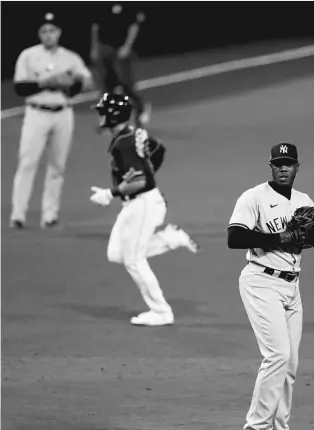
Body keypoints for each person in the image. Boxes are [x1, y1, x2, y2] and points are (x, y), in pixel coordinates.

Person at [227, 142, 314, 430]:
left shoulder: (304, 201)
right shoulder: (253, 197)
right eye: (278, 164)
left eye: (289, 163)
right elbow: (235, 237)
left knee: (289, 366)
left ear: (297, 166)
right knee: (277, 356)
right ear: (271, 166)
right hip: (261, 281)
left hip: (291, 288)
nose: (283, 168)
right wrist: (279, 239)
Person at [89, 92, 200, 326]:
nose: (99, 116)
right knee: (116, 253)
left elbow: (138, 181)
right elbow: (158, 151)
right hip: (141, 202)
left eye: (102, 111)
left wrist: (110, 193)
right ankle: (172, 238)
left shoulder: (123, 144)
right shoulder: (133, 133)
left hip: (142, 204)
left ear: (112, 115)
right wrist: (147, 176)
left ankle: (161, 312)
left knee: (134, 261)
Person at [10, 12, 92, 229]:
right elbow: (19, 87)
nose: (49, 35)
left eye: (52, 30)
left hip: (63, 114)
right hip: (36, 114)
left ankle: (50, 216)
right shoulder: (28, 56)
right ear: (39, 34)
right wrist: (47, 82)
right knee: (28, 163)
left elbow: (83, 84)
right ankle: (18, 215)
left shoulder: (71, 58)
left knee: (58, 166)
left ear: (59, 32)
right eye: (45, 31)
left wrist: (71, 83)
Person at [90, 3, 150, 127]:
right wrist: (95, 48)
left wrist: (127, 46)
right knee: (106, 86)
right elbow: (95, 26)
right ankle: (110, 118)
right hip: (105, 48)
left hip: (121, 49)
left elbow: (134, 25)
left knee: (126, 85)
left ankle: (140, 112)